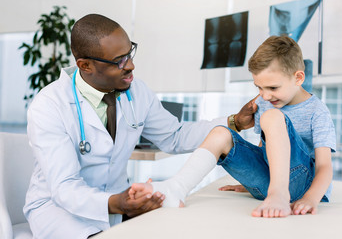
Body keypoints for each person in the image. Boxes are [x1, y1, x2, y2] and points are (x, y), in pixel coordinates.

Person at [23, 14, 257, 239]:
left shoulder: (136, 92)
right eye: (119, 61)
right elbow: (65, 188)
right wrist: (116, 203)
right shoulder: (49, 106)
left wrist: (235, 122)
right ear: (85, 65)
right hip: (59, 212)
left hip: (119, 203)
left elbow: (175, 136)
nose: (131, 65)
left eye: (130, 53)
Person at [129, 35, 336, 218]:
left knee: (273, 117)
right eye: (259, 87)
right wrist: (251, 178)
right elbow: (266, 152)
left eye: (273, 87)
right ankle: (176, 188)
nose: (264, 95)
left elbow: (325, 166)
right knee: (221, 133)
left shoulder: (317, 111)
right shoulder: (267, 101)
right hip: (270, 182)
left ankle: (278, 193)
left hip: (302, 186)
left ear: (298, 78)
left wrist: (311, 198)